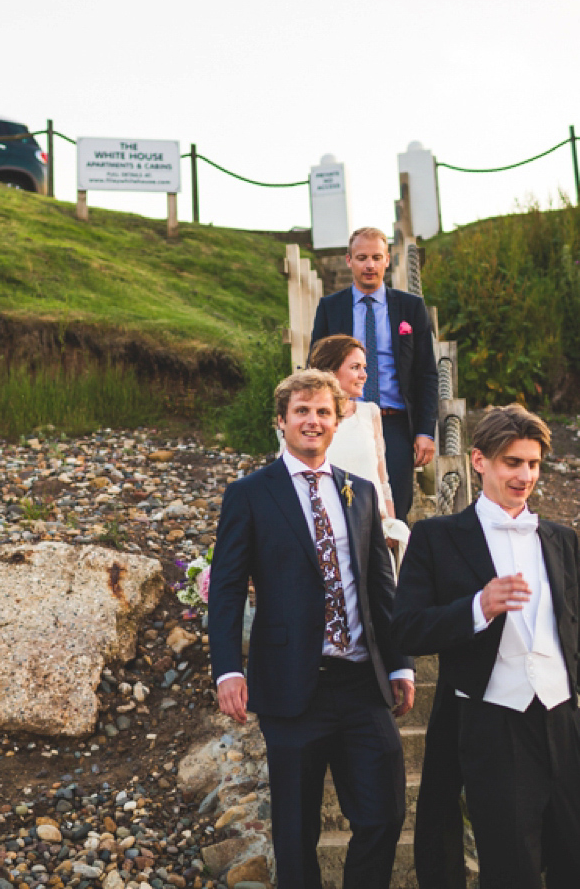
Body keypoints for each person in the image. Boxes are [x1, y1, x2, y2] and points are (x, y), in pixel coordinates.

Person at [392, 404, 580, 889]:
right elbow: (408, 630)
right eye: (512, 463)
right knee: (511, 873)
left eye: (533, 464)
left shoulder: (561, 541)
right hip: (491, 726)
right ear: (479, 461)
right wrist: (478, 607)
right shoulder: (436, 537)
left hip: (563, 724)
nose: (524, 476)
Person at [210, 369, 416, 889]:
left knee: (385, 814)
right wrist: (228, 670)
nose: (313, 420)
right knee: (296, 833)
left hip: (360, 684)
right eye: (302, 410)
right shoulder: (250, 494)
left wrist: (400, 662)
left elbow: (380, 590)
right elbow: (228, 588)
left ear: (339, 419)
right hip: (291, 687)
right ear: (281, 420)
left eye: (323, 411)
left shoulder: (361, 492)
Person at [311, 226, 439, 522]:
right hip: (345, 419)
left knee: (395, 509)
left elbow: (426, 374)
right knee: (340, 503)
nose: (369, 265)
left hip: (394, 422)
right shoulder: (331, 308)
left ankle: (391, 567)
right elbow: (316, 367)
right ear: (349, 261)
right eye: (362, 257)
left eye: (376, 257)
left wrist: (424, 431)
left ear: (387, 261)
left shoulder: (411, 307)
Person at [300, 334, 411, 565]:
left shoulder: (370, 413)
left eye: (364, 367)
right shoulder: (305, 424)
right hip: (325, 535)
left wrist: (390, 524)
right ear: (330, 372)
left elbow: (383, 482)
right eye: (355, 367)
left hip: (374, 533)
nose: (364, 375)